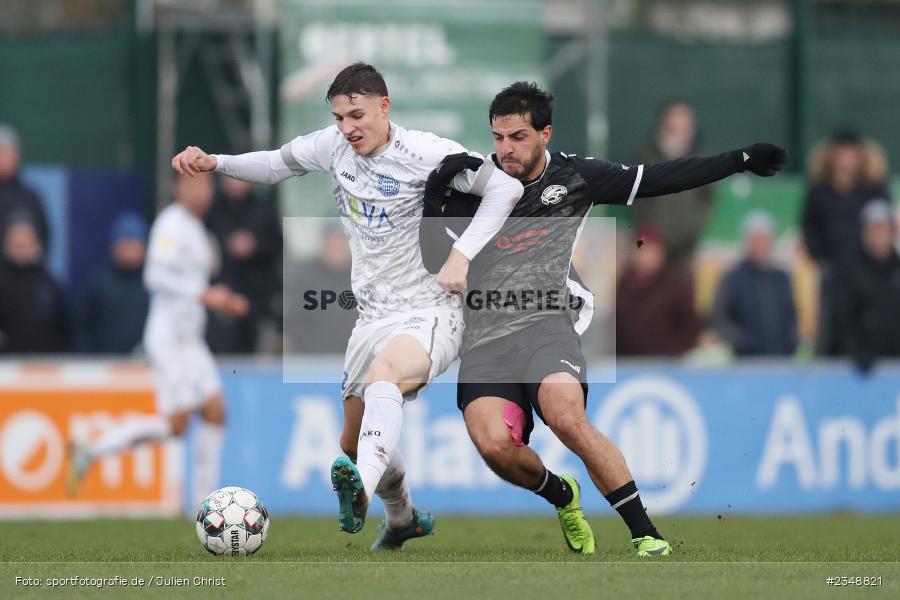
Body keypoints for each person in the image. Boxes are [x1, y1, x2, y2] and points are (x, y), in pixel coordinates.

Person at [420, 82, 785, 556]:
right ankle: (561, 494)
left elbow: (661, 178)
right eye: (498, 137)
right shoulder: (476, 184)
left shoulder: (578, 177)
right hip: (485, 338)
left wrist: (740, 159)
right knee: (493, 446)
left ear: (545, 134)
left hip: (546, 326)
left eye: (518, 137)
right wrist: (434, 195)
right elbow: (436, 262)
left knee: (566, 417)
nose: (505, 149)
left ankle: (645, 534)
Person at [168, 63, 523, 550]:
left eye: (356, 114)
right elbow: (275, 164)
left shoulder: (428, 152)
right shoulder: (334, 147)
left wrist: (462, 255)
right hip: (372, 315)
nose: (347, 127)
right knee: (352, 441)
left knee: (385, 379)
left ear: (384, 106)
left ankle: (361, 483)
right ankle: (403, 519)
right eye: (338, 117)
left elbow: (507, 187)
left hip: (431, 307)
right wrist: (216, 162)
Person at [67, 173, 249, 506]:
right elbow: (155, 275)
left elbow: (200, 288)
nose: (201, 192)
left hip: (191, 339)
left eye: (206, 185)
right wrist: (205, 294)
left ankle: (205, 505)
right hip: (168, 339)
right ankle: (93, 448)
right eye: (193, 184)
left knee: (216, 411)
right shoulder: (171, 224)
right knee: (177, 425)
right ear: (176, 188)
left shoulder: (199, 232)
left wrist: (223, 300)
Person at [801, 131, 890, 355]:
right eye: (840, 154)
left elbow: (885, 226)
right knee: (832, 325)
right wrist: (822, 259)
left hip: (868, 272)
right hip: (835, 274)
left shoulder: (874, 189)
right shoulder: (819, 192)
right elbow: (809, 230)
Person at [631, 100, 714, 270]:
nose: (680, 133)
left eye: (685, 127)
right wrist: (651, 231)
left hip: (686, 249)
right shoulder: (645, 158)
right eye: (675, 127)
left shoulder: (701, 161)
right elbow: (636, 200)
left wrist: (691, 228)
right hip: (652, 247)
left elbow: (707, 199)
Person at [205, 175, 283, 354]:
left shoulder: (264, 209)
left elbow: (278, 245)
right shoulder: (213, 210)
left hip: (258, 297)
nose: (236, 183)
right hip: (221, 297)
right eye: (231, 177)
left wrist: (254, 245)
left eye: (240, 177)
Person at [709, 211, 797, 356]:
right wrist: (741, 341)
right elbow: (717, 317)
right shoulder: (733, 278)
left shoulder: (782, 278)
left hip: (782, 361)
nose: (760, 245)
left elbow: (791, 316)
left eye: (764, 239)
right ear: (747, 241)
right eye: (755, 239)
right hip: (747, 364)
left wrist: (792, 342)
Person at [833, 201, 900, 372]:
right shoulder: (849, 272)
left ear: (892, 232)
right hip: (861, 368)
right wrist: (856, 352)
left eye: (882, 229)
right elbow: (842, 319)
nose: (877, 235)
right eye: (872, 229)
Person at [616, 225, 700, 356]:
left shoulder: (676, 285)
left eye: (651, 250)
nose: (646, 255)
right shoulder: (624, 285)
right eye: (641, 249)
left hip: (668, 363)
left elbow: (689, 327)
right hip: (629, 363)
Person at [76, 212, 150, 354]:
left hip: (147, 369)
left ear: (145, 247)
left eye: (134, 243)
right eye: (124, 243)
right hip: (104, 369)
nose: (129, 250)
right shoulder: (98, 285)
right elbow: (82, 331)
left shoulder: (154, 285)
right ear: (114, 247)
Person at [0, 215, 66, 353]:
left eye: (26, 243)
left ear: (37, 244)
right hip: (6, 364)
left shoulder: (48, 283)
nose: (21, 247)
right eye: (17, 244)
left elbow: (62, 325)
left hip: (44, 363)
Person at [285, 224, 355, 354]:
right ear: (324, 245)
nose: (337, 247)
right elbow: (294, 319)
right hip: (315, 359)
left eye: (341, 242)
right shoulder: (306, 278)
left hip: (356, 358)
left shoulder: (363, 278)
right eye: (332, 242)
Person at [0, 124, 50, 249]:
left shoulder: (30, 197)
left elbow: (44, 239)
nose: (2, 157)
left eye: (6, 151)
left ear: (16, 156)